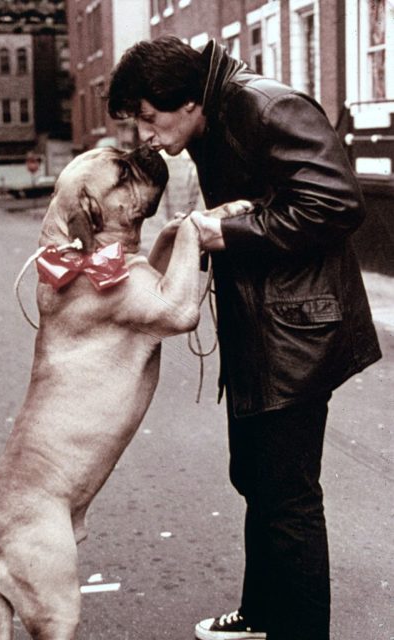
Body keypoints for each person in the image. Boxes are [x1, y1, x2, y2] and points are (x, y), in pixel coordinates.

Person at [107, 36, 382, 640]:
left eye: (149, 120)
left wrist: (227, 234)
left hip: (297, 331)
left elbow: (338, 202)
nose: (146, 136)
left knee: (288, 496)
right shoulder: (214, 119)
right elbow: (266, 204)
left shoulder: (266, 106)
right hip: (265, 325)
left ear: (184, 99)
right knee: (257, 476)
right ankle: (262, 614)